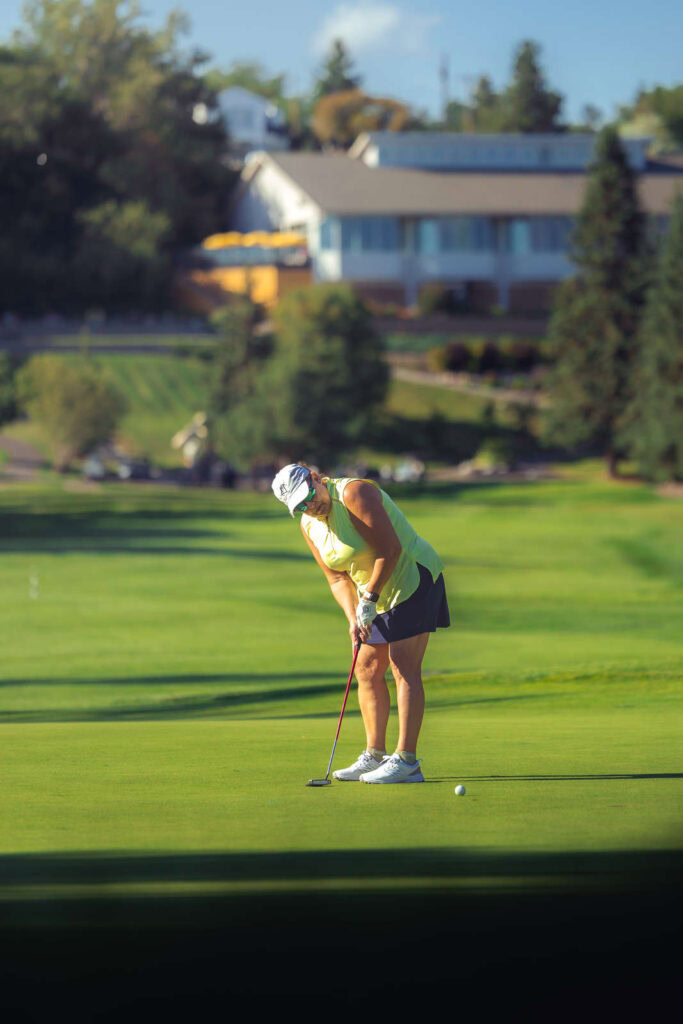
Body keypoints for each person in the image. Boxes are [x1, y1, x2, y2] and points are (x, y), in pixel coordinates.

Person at [271, 463, 450, 784]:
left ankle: (407, 761)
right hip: (375, 594)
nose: (310, 506)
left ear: (316, 478)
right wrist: (353, 616)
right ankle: (374, 755)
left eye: (309, 496)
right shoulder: (309, 526)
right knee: (366, 668)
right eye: (299, 506)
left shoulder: (354, 493)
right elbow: (337, 578)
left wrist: (368, 600)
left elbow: (390, 550)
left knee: (402, 665)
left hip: (413, 578)